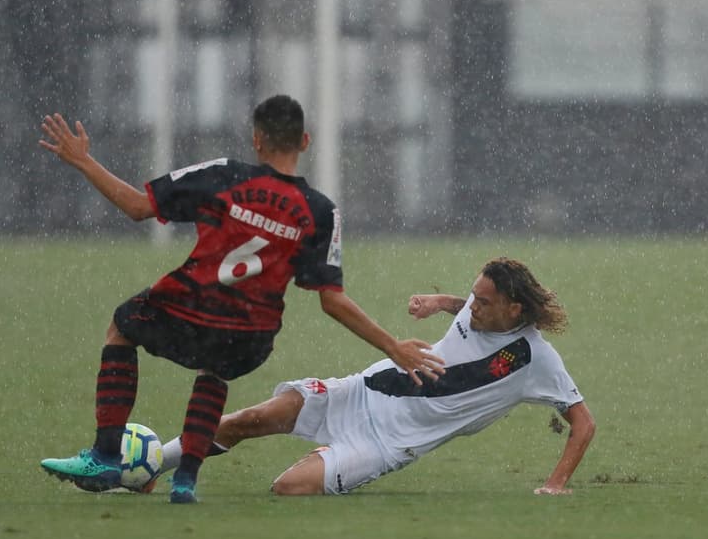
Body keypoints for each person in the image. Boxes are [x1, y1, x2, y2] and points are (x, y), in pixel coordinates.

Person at [37, 95, 445, 503]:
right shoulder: (320, 211)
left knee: (121, 328)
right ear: (305, 141)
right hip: (252, 335)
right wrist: (394, 346)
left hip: (192, 306)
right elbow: (332, 300)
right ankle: (185, 481)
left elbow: (138, 207)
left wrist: (84, 161)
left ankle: (106, 455)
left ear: (257, 140)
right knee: (215, 371)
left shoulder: (223, 176)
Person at [156, 257, 596, 496]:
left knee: (287, 488)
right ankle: (149, 465)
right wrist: (439, 302)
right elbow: (465, 302)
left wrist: (554, 485)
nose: (471, 307)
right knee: (243, 422)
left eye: (482, 302)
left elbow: (583, 423)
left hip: (385, 445)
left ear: (513, 310)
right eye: (472, 297)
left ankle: (332, 456)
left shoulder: (536, 358)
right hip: (360, 390)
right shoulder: (477, 307)